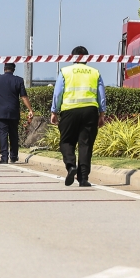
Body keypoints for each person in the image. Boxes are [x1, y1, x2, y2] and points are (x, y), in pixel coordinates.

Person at [51, 45, 106, 187]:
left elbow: (57, 93)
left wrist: (54, 111)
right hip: (90, 111)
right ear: (87, 58)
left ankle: (71, 166)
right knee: (85, 144)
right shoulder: (95, 72)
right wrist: (102, 114)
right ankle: (83, 178)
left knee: (66, 141)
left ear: (72, 57)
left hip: (69, 110)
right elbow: (101, 95)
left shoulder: (65, 71)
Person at [0, 62, 34, 164]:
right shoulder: (19, 80)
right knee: (13, 134)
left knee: (3, 134)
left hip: (1, 112)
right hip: (13, 112)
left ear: (4, 68)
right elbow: (24, 97)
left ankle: (4, 157)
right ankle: (13, 156)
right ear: (14, 70)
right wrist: (30, 110)